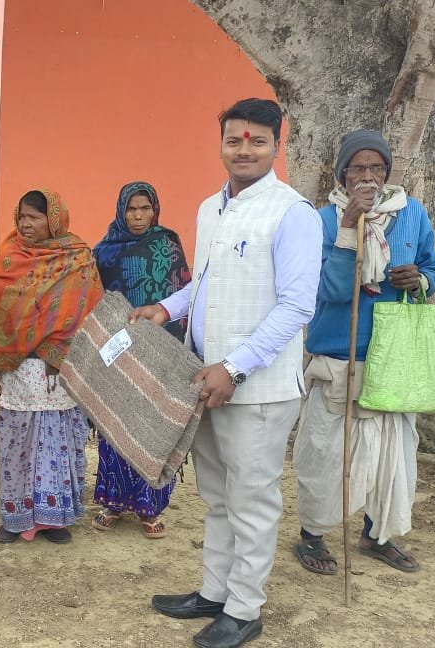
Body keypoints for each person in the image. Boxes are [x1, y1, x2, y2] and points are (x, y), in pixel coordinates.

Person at [132, 99, 322, 648]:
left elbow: (296, 306)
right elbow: (206, 284)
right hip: (205, 382)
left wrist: (234, 367)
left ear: (276, 147)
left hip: (257, 389)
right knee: (216, 497)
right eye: (234, 140)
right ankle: (214, 593)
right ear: (221, 144)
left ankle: (244, 609)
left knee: (251, 501)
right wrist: (166, 308)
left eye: (257, 141)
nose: (244, 150)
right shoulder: (210, 208)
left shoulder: (292, 214)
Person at [292, 129, 435, 576]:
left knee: (390, 454)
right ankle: (313, 535)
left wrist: (420, 280)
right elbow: (332, 290)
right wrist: (347, 230)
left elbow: (432, 269)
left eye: (377, 167)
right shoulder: (322, 220)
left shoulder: (412, 213)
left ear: (387, 172)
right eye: (358, 168)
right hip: (340, 354)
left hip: (394, 355)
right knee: (326, 451)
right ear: (343, 174)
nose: (368, 176)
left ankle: (377, 535)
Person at [0, 188, 102, 545]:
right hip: (16, 372)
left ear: (53, 219)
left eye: (35, 217)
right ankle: (15, 517)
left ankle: (53, 519)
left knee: (57, 443)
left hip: (59, 371)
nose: (26, 223)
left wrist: (62, 349)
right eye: (22, 216)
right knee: (17, 445)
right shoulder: (8, 258)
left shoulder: (78, 257)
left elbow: (88, 313)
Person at [90, 181, 192, 539]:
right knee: (116, 424)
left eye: (145, 208)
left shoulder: (168, 243)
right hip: (119, 351)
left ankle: (151, 506)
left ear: (154, 210)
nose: (138, 215)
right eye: (131, 209)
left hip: (161, 351)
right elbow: (96, 301)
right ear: (121, 210)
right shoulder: (104, 251)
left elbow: (183, 292)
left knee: (154, 425)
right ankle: (113, 502)